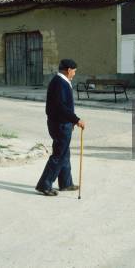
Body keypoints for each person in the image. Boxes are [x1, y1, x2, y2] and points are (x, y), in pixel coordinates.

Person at [35, 59, 86, 196]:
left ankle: (66, 183)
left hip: (63, 123)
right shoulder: (59, 83)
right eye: (74, 71)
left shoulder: (61, 81)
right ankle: (44, 185)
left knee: (64, 153)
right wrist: (76, 119)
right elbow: (60, 106)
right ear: (69, 70)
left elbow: (64, 106)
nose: (74, 74)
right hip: (60, 124)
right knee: (59, 154)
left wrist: (71, 121)